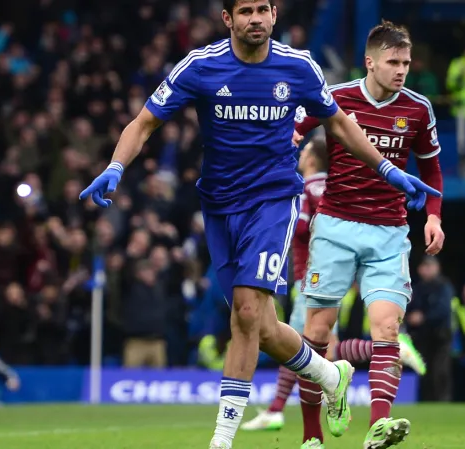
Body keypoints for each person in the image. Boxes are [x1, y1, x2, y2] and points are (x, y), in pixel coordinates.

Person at [79, 2, 440, 448]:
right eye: (245, 10)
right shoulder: (201, 67)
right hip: (219, 208)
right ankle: (331, 372)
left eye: (263, 9)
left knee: (247, 312)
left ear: (274, 14)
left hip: (273, 201)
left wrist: (386, 169)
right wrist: (116, 166)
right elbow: (145, 122)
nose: (256, 18)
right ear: (228, 19)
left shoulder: (299, 67)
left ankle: (222, 439)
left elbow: (340, 126)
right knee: (262, 328)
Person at [292, 21, 445, 448]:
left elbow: (431, 168)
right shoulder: (337, 98)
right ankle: (311, 436)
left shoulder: (417, 109)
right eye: (393, 62)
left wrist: (433, 217)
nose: (401, 70)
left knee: (387, 330)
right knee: (316, 335)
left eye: (406, 62)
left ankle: (379, 425)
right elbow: (295, 132)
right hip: (335, 226)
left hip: (389, 232)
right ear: (370, 61)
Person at [241, 138, 427, 437]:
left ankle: (283, 413)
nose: (300, 156)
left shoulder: (309, 188)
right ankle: (286, 407)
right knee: (317, 350)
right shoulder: (341, 187)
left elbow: (301, 228)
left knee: (297, 347)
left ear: (313, 159)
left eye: (304, 152)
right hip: (338, 273)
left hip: (312, 276)